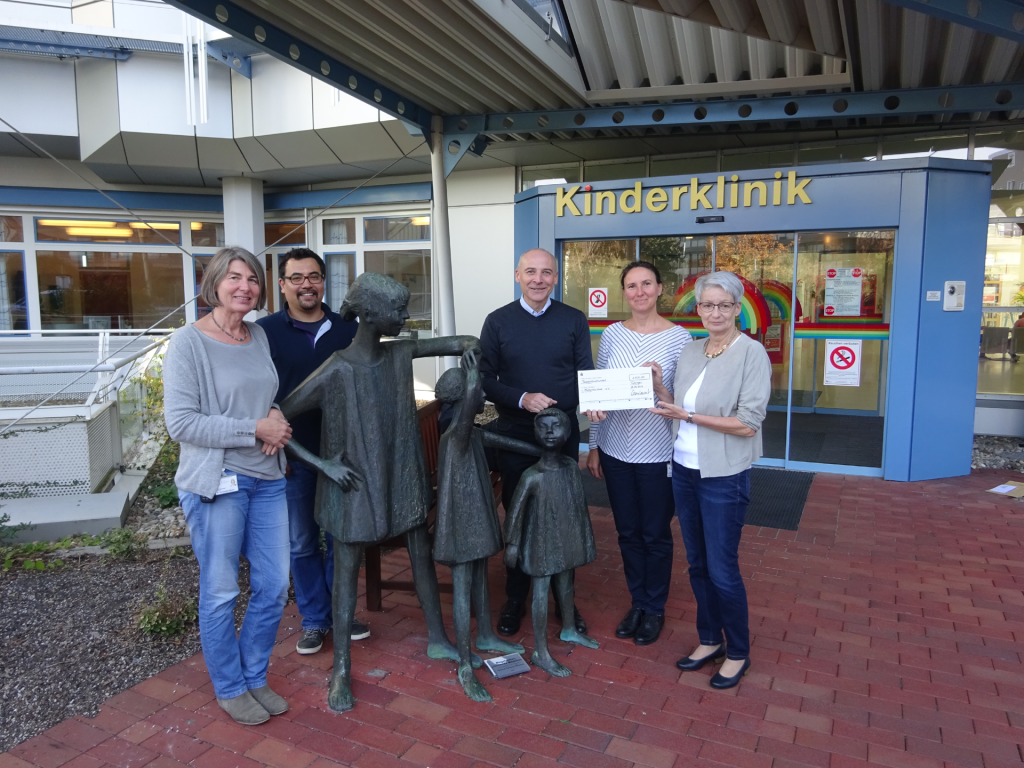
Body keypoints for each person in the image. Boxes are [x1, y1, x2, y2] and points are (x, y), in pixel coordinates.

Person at [280, 271, 480, 712]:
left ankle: (437, 637)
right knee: (346, 570)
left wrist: (471, 350)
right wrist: (322, 464)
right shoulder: (336, 371)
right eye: (398, 310)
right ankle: (341, 669)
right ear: (369, 315)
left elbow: (463, 341)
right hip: (352, 486)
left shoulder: (400, 352)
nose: (406, 318)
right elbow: (279, 420)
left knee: (420, 552)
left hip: (400, 478)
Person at [164, 246, 293, 726]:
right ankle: (230, 686)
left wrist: (274, 415)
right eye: (235, 277)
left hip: (268, 478)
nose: (245, 287)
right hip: (218, 482)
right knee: (220, 592)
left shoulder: (257, 335)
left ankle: (254, 675)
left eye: (253, 279)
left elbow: (263, 396)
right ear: (214, 283)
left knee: (274, 586)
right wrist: (255, 428)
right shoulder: (188, 343)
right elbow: (181, 423)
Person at [650, 270, 770, 690]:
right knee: (698, 564)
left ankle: (737, 652)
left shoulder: (751, 353)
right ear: (698, 308)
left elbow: (747, 424)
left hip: (724, 475)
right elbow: (680, 407)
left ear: (738, 309)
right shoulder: (692, 349)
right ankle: (709, 640)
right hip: (684, 469)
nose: (714, 312)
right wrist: (659, 388)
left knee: (722, 568)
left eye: (724, 305)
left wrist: (688, 415)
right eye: (707, 305)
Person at [256, 247, 366, 656]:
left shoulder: (347, 331)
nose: (307, 285)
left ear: (323, 281)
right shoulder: (264, 333)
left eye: (314, 277)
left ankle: (341, 613)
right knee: (302, 542)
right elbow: (257, 395)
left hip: (343, 457)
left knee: (341, 540)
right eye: (297, 277)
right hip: (292, 456)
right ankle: (315, 619)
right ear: (282, 285)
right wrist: (277, 450)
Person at [479, 248, 593, 637]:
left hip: (561, 433)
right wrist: (522, 398)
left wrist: (590, 403)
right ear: (518, 275)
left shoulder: (573, 319)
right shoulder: (498, 321)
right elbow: (485, 379)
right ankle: (516, 597)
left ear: (556, 277)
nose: (538, 279)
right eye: (530, 272)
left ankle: (565, 600)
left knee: (564, 515)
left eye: (546, 273)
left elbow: (585, 372)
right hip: (516, 432)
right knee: (519, 512)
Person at [585, 261, 691, 646]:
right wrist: (594, 444)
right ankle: (638, 602)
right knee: (628, 532)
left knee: (655, 533)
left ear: (660, 288)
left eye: (647, 284)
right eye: (632, 285)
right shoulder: (612, 334)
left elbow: (685, 404)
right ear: (624, 292)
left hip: (658, 453)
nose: (640, 291)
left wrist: (660, 388)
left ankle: (655, 607)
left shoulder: (681, 338)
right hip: (615, 450)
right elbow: (598, 391)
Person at [432, 360, 539, 702]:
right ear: (465, 397)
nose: (484, 397)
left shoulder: (473, 433)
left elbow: (504, 442)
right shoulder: (456, 433)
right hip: (460, 525)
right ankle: (465, 663)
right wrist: (473, 377)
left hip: (476, 518)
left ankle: (486, 636)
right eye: (479, 392)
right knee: (463, 586)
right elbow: (469, 414)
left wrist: (545, 452)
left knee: (479, 575)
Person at [503, 408, 599, 676]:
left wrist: (583, 541)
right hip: (540, 543)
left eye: (555, 426)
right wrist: (512, 543)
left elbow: (579, 507)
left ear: (568, 432)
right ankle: (541, 651)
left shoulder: (570, 467)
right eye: (543, 426)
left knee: (566, 585)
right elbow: (515, 513)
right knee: (541, 592)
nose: (548, 432)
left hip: (565, 539)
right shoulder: (531, 476)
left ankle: (569, 628)